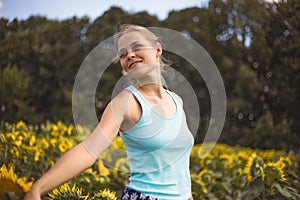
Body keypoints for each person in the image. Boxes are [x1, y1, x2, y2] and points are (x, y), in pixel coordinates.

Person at [24, 24, 194, 200]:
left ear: (157, 50)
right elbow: (88, 151)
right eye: (123, 54)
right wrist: (37, 189)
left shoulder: (176, 100)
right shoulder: (125, 103)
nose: (130, 55)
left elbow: (180, 169)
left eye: (136, 47)